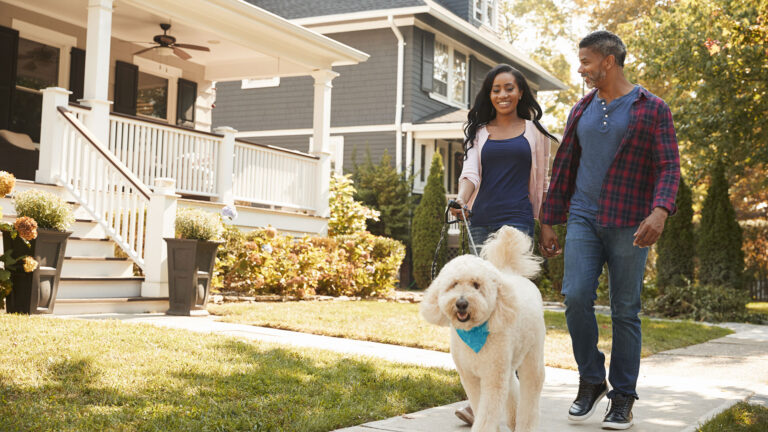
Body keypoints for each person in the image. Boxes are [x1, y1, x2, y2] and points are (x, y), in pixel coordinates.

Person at [539, 31, 680, 430]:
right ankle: (590, 380)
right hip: (584, 217)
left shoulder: (652, 108)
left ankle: (622, 397)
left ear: (608, 61)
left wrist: (660, 211)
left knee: (624, 310)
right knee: (576, 296)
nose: (580, 69)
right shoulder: (581, 109)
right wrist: (549, 217)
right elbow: (564, 167)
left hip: (631, 221)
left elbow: (669, 166)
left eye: (585, 62)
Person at [450, 63, 558, 426]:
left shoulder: (535, 133)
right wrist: (461, 199)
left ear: (521, 92)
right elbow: (470, 174)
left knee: (510, 309)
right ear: (489, 94)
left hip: (519, 223)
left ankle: (499, 395)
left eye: (509, 88)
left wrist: (545, 226)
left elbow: (542, 183)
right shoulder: (480, 133)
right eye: (496, 89)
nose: (503, 95)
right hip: (481, 220)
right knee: (481, 309)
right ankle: (484, 397)